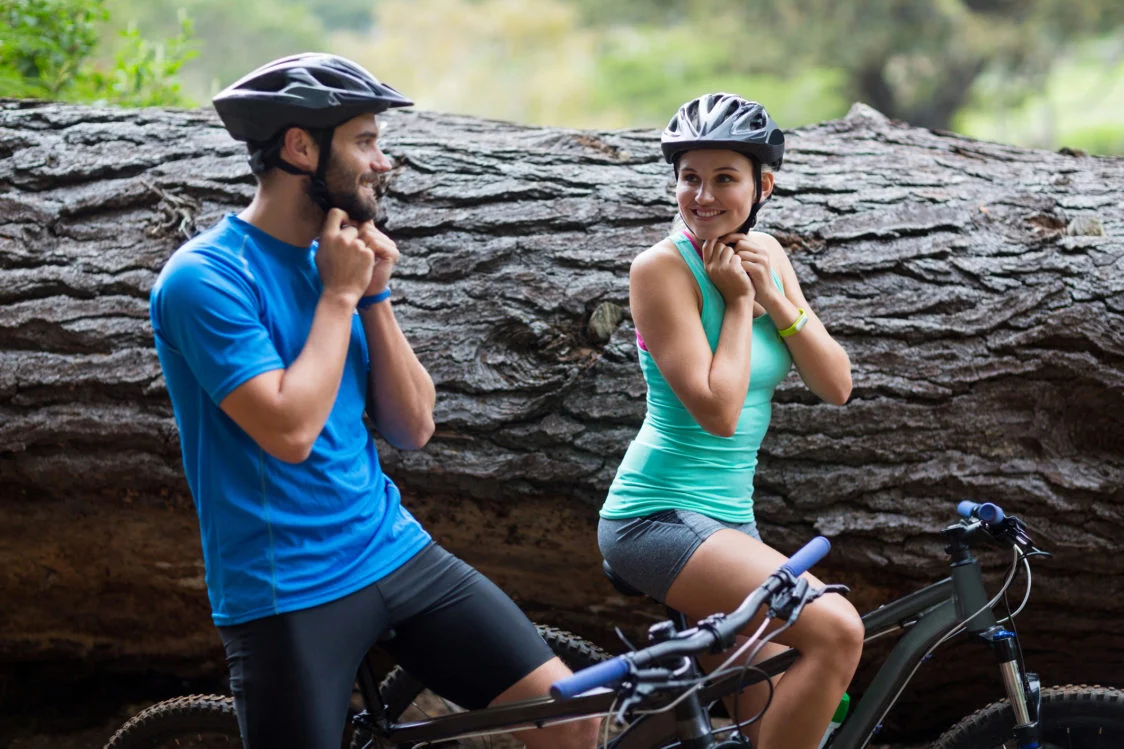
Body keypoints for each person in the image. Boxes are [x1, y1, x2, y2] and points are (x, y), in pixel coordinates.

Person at [149, 53, 597, 749]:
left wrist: (375, 295)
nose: (382, 162)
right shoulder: (204, 280)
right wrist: (337, 296)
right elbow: (291, 431)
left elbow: (413, 425)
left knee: (571, 718)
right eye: (364, 140)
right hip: (287, 588)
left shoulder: (341, 260)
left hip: (390, 549)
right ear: (301, 147)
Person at [597, 92, 864, 749]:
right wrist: (742, 305)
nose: (703, 196)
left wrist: (776, 296)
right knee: (836, 628)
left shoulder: (767, 253)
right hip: (654, 515)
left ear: (762, 184)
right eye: (690, 178)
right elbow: (717, 411)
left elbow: (836, 384)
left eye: (725, 178)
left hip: (729, 519)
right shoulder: (661, 268)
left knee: (771, 705)